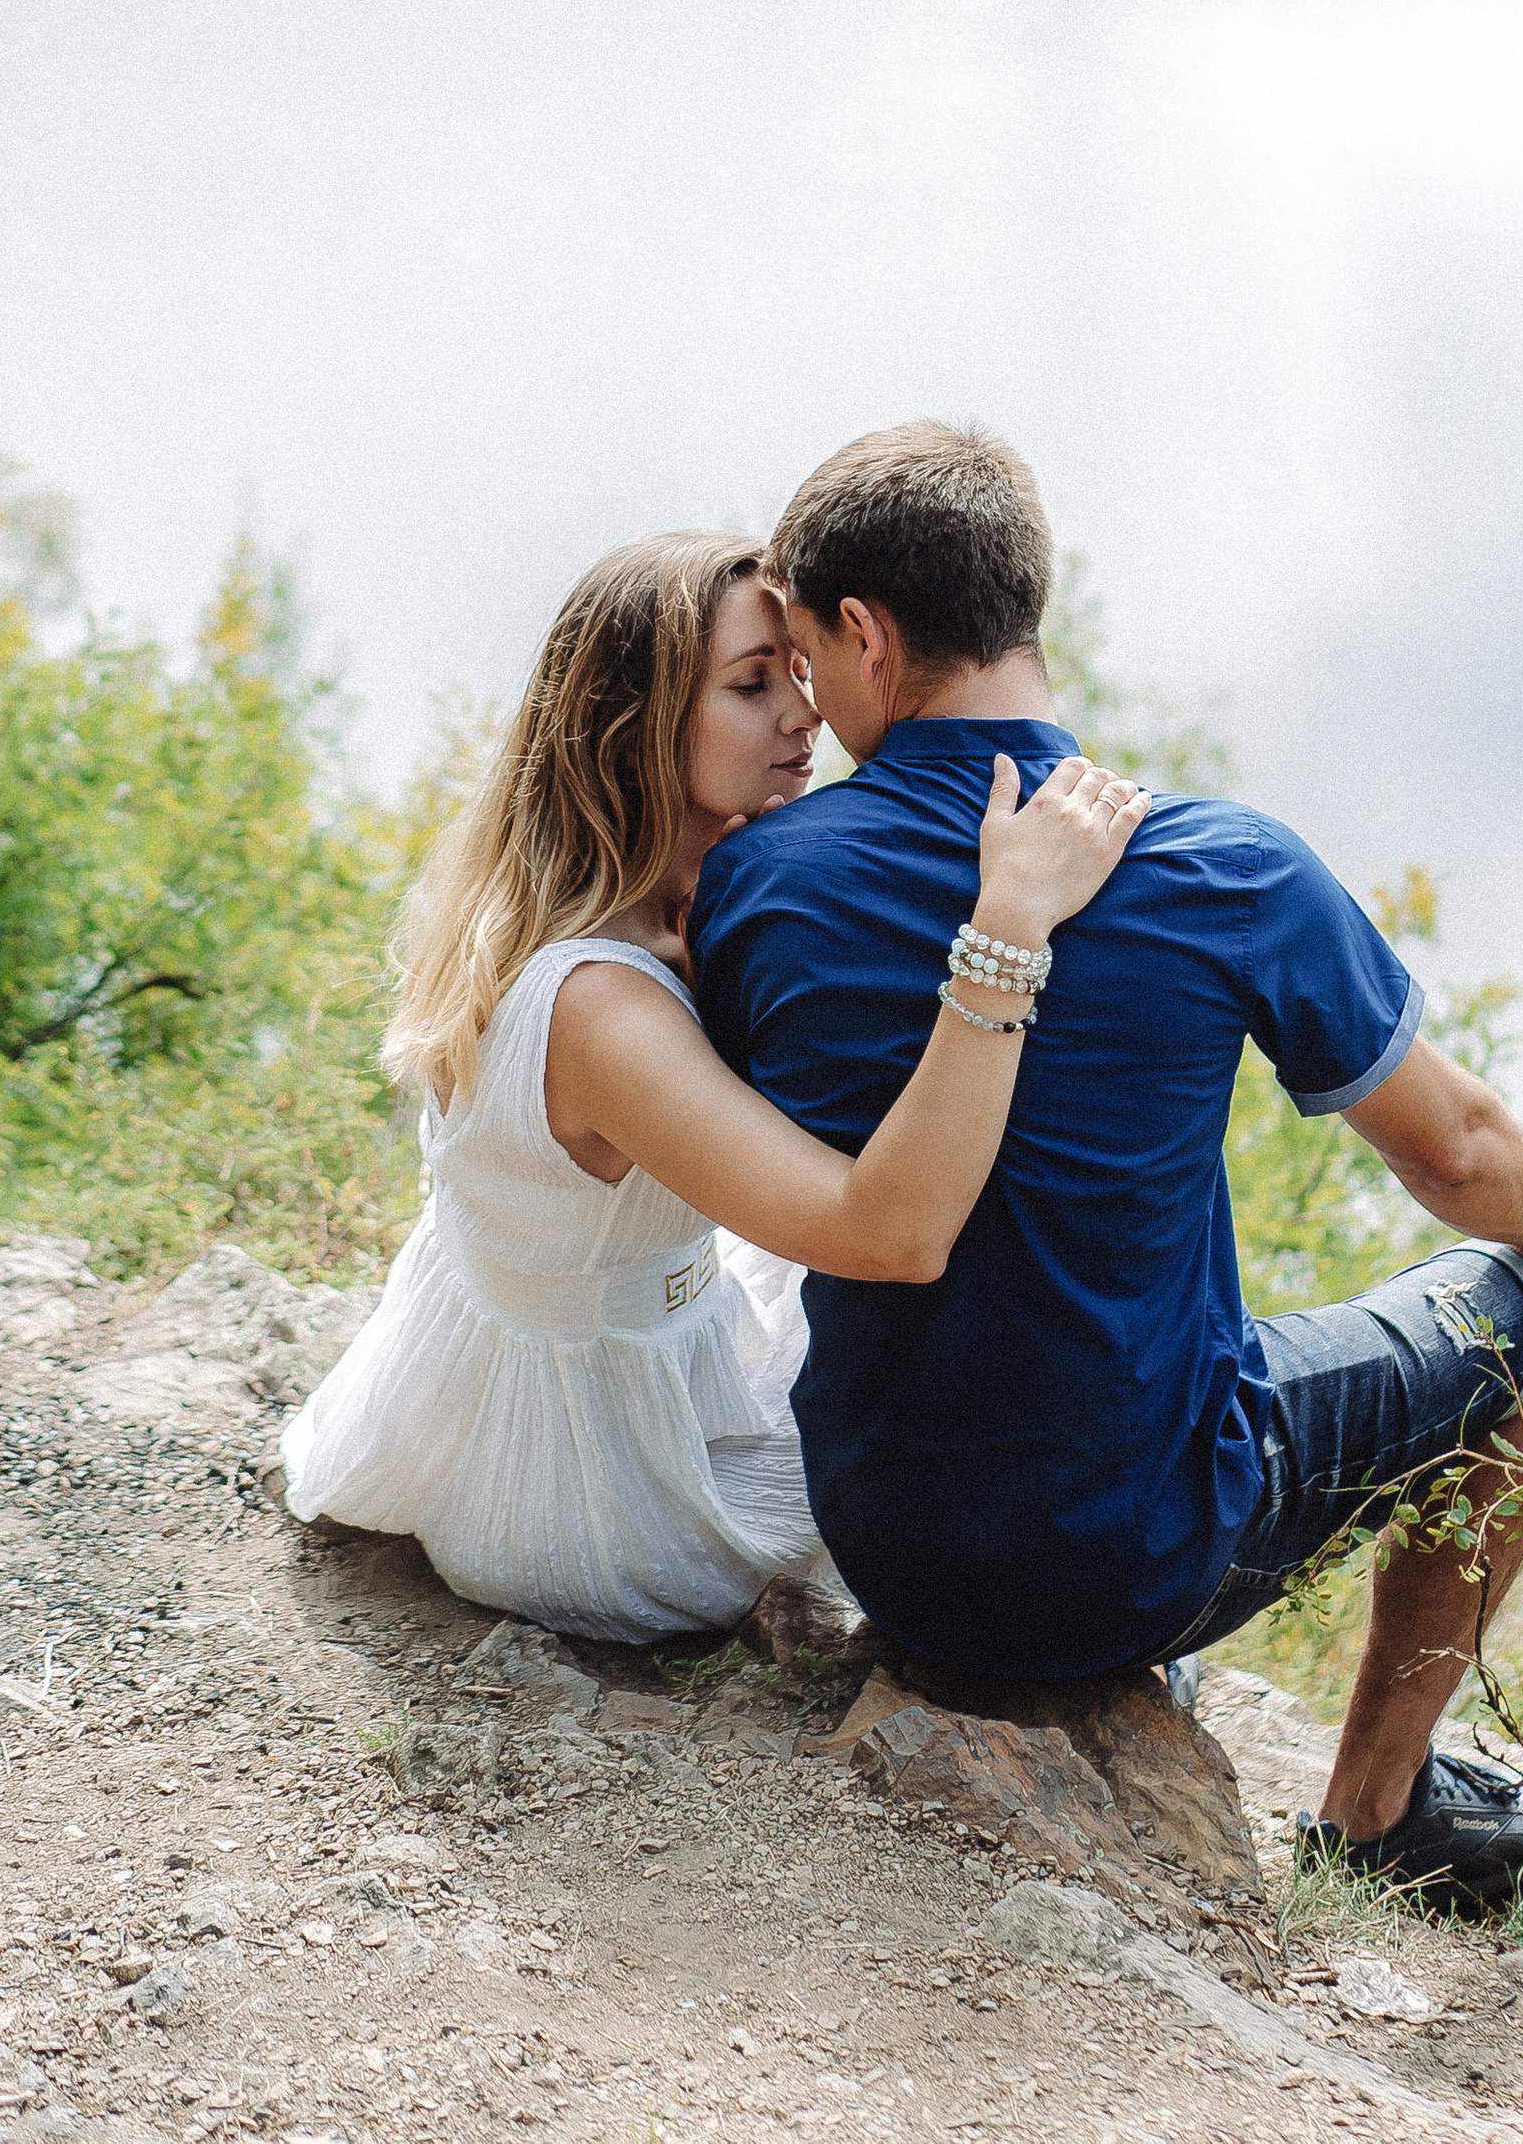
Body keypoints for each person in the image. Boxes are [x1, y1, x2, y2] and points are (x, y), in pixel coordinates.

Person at [691, 423, 1523, 1909]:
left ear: (867, 633)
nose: (805, 691)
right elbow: (1458, 1150)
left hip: (887, 1540)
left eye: (802, 655)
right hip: (1142, 1559)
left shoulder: (760, 878)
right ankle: (1381, 1812)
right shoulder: (1225, 869)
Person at [280, 528, 1146, 1640]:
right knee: (965, 1359)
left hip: (534, 1367)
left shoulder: (628, 905)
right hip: (595, 1495)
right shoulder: (599, 1003)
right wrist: (1009, 925)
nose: (805, 711)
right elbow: (890, 1234)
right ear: (632, 725)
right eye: (751, 683)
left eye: (798, 668)